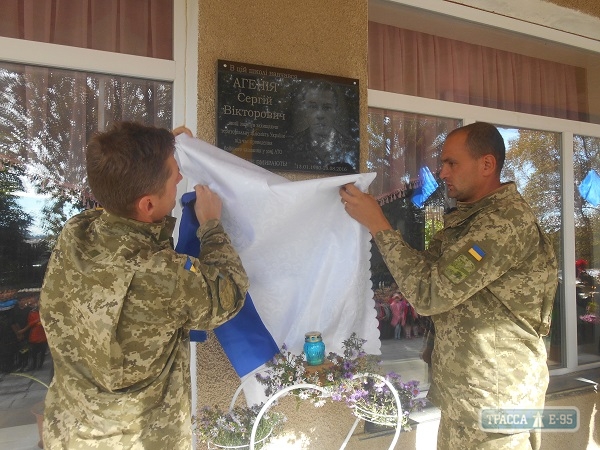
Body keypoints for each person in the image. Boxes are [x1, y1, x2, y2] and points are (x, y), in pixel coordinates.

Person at [340, 122, 558, 450]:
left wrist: (378, 224)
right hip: (466, 399)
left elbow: (430, 292)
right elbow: (429, 271)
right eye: (442, 163)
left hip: (496, 403)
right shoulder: (468, 220)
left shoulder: (501, 225)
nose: (442, 172)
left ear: (487, 165)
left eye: (451, 163)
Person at [39, 122, 249, 449]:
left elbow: (119, 179)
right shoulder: (159, 275)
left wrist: (156, 146)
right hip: (136, 440)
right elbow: (230, 293)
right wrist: (211, 227)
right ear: (147, 205)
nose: (180, 177)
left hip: (69, 430)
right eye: (173, 174)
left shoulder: (78, 231)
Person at [287, 80, 358, 173]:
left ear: (336, 110)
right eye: (313, 107)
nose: (320, 115)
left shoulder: (351, 148)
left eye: (327, 107)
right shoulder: (290, 146)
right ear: (305, 111)